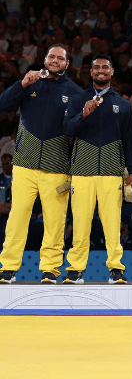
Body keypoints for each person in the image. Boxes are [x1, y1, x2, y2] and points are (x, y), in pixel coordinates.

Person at [0, 44, 83, 284]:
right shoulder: (30, 82)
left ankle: (50, 268)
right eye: (52, 56)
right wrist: (22, 84)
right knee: (17, 217)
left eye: (60, 58)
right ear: (44, 59)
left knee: (55, 220)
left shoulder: (76, 92)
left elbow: (78, 132)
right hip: (25, 164)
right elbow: (4, 104)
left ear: (67, 64)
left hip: (57, 168)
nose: (55, 60)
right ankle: (8, 267)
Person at [61, 54, 132, 284]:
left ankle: (116, 269)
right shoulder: (77, 100)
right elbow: (67, 129)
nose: (100, 70)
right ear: (91, 72)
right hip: (82, 172)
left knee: (112, 225)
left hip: (112, 172)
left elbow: (129, 140)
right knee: (80, 223)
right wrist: (83, 114)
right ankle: (75, 270)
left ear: (112, 72)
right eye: (96, 68)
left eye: (105, 67)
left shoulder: (123, 104)